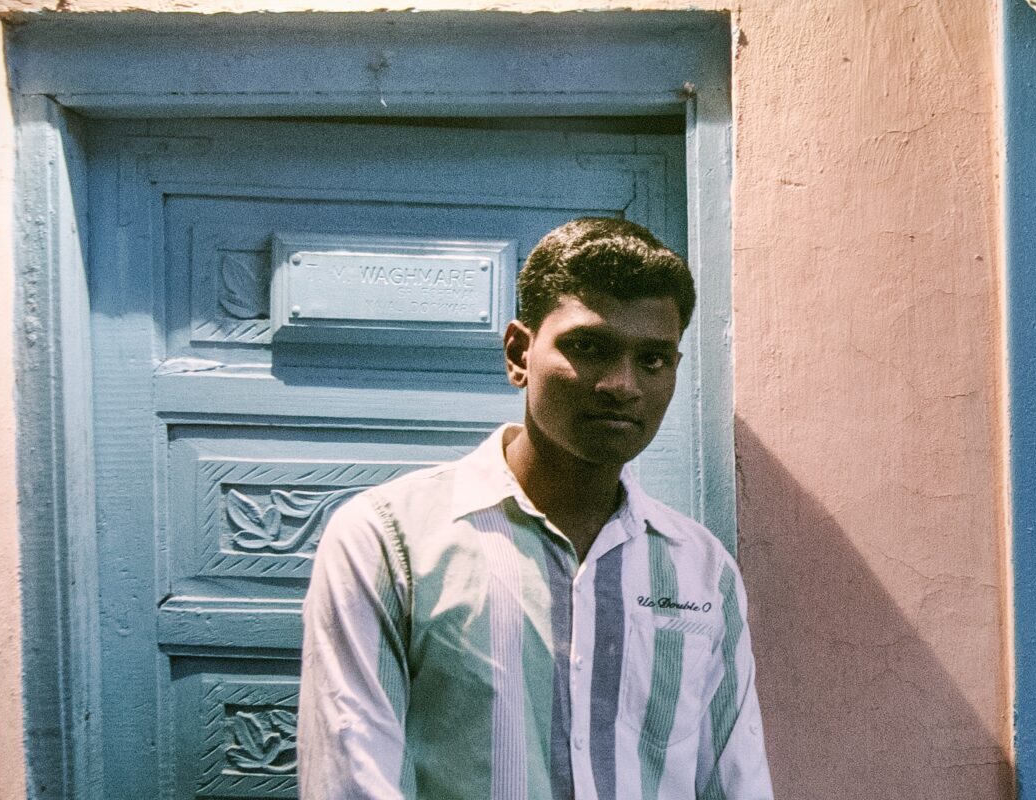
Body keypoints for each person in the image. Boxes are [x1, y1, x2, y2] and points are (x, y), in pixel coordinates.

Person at [297, 217, 773, 800]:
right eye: (589, 348)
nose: (623, 384)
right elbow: (352, 782)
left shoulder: (702, 568)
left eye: (653, 360)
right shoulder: (389, 540)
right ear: (520, 352)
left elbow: (734, 780)